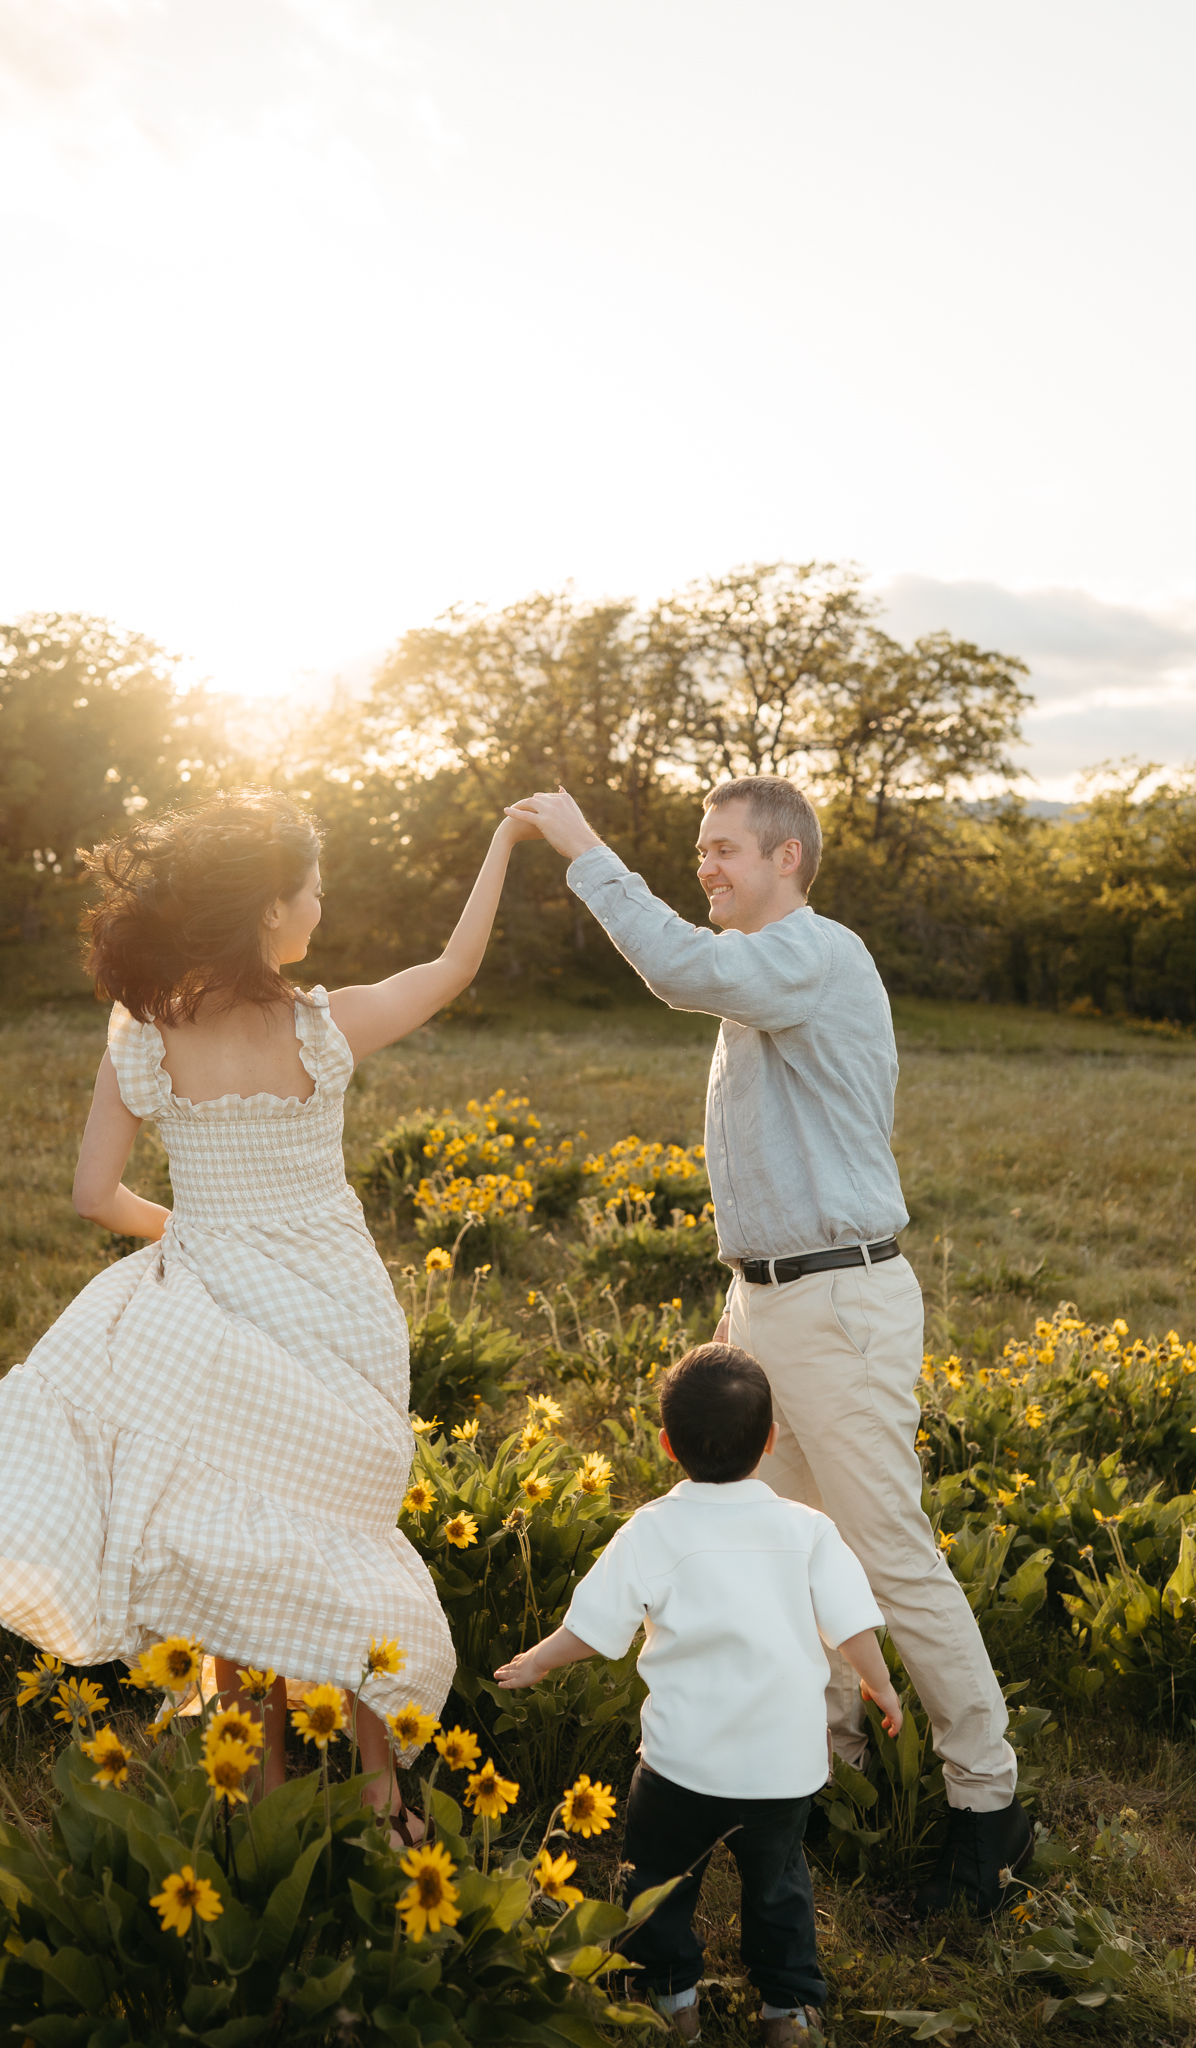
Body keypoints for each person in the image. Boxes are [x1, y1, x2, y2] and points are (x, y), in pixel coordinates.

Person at [0, 787, 539, 1830]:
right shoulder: (323, 1025)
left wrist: (199, 1234)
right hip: (340, 1304)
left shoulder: (145, 1035)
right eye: (312, 892)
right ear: (268, 911)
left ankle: (260, 1794)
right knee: (341, 1522)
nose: (320, 909)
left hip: (213, 1303)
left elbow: (91, 1198)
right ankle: (386, 1795)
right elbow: (454, 967)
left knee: (239, 1537)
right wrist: (505, 837)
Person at [506, 777, 1031, 1917]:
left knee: (888, 1552)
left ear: (787, 856)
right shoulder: (767, 969)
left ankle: (989, 1808)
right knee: (797, 1552)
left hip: (836, 1304)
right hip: (773, 1304)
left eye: (725, 849)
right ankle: (827, 1771)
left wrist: (585, 844)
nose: (707, 866)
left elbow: (674, 966)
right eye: (700, 848)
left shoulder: (808, 952)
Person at [496, 1343, 898, 2047]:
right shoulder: (806, 1531)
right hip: (782, 1768)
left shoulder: (653, 1528)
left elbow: (592, 1627)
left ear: (664, 1445)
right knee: (777, 1887)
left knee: (656, 1880)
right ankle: (788, 2012)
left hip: (680, 1765)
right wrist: (879, 1683)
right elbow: (851, 1623)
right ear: (769, 1442)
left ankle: (667, 1999)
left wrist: (536, 1663)